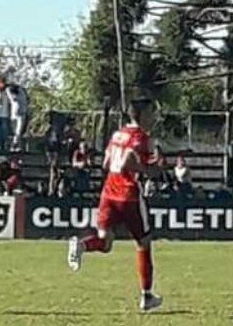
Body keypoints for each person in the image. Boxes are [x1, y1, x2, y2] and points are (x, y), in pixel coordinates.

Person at [67, 99, 162, 312]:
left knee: (106, 242)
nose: (154, 118)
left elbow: (106, 164)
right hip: (129, 195)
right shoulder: (142, 138)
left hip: (109, 192)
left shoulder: (117, 135)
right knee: (143, 242)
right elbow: (129, 159)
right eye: (152, 113)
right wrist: (147, 170)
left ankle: (82, 245)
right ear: (143, 114)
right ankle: (146, 295)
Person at [7, 84, 28, 152]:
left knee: (18, 132)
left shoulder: (21, 94)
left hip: (21, 115)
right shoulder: (10, 92)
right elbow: (9, 94)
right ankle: (16, 146)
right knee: (14, 132)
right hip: (13, 115)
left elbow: (14, 98)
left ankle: (15, 145)